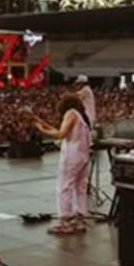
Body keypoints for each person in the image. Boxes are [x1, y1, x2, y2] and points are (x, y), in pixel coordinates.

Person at [29, 93, 91, 235]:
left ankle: (65, 221)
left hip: (72, 155)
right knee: (80, 187)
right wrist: (40, 121)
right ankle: (80, 219)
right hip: (83, 156)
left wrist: (41, 129)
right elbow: (59, 130)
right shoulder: (80, 116)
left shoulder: (71, 113)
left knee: (64, 187)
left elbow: (60, 134)